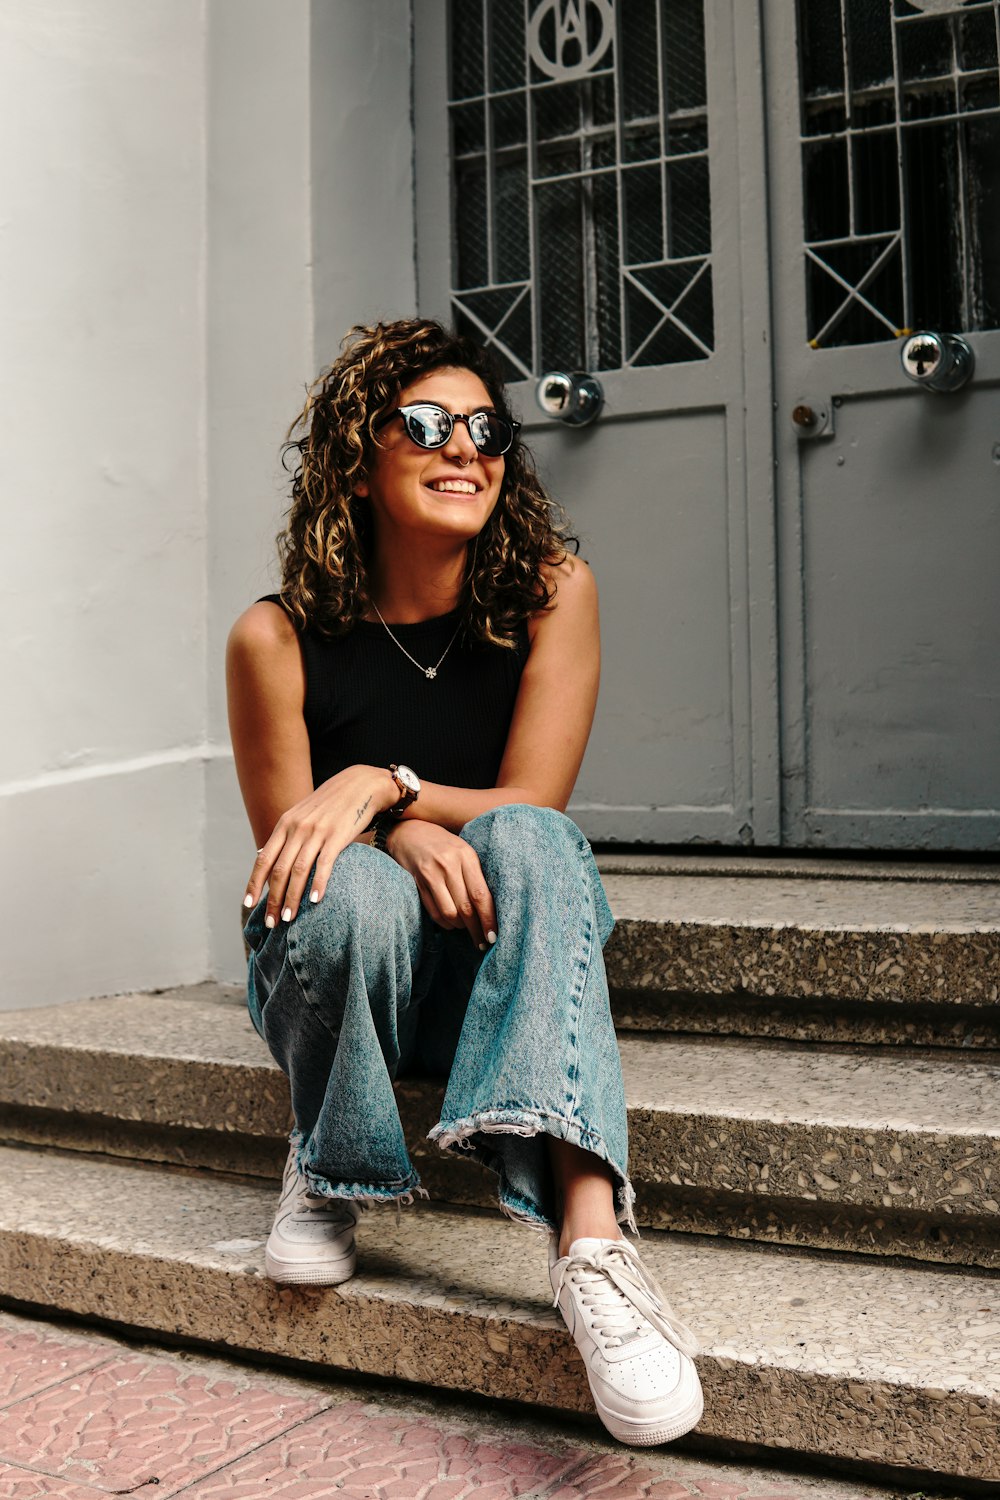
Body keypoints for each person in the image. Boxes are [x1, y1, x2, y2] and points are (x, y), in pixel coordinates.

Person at [226, 318, 702, 1448]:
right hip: (348, 963)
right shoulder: (274, 639)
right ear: (358, 459)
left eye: (487, 429)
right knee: (351, 885)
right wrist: (394, 836)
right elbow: (297, 854)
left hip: (494, 949)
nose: (466, 449)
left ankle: (593, 1247)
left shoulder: (550, 591)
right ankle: (330, 1156)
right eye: (427, 426)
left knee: (534, 842)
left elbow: (533, 799)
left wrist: (384, 786)